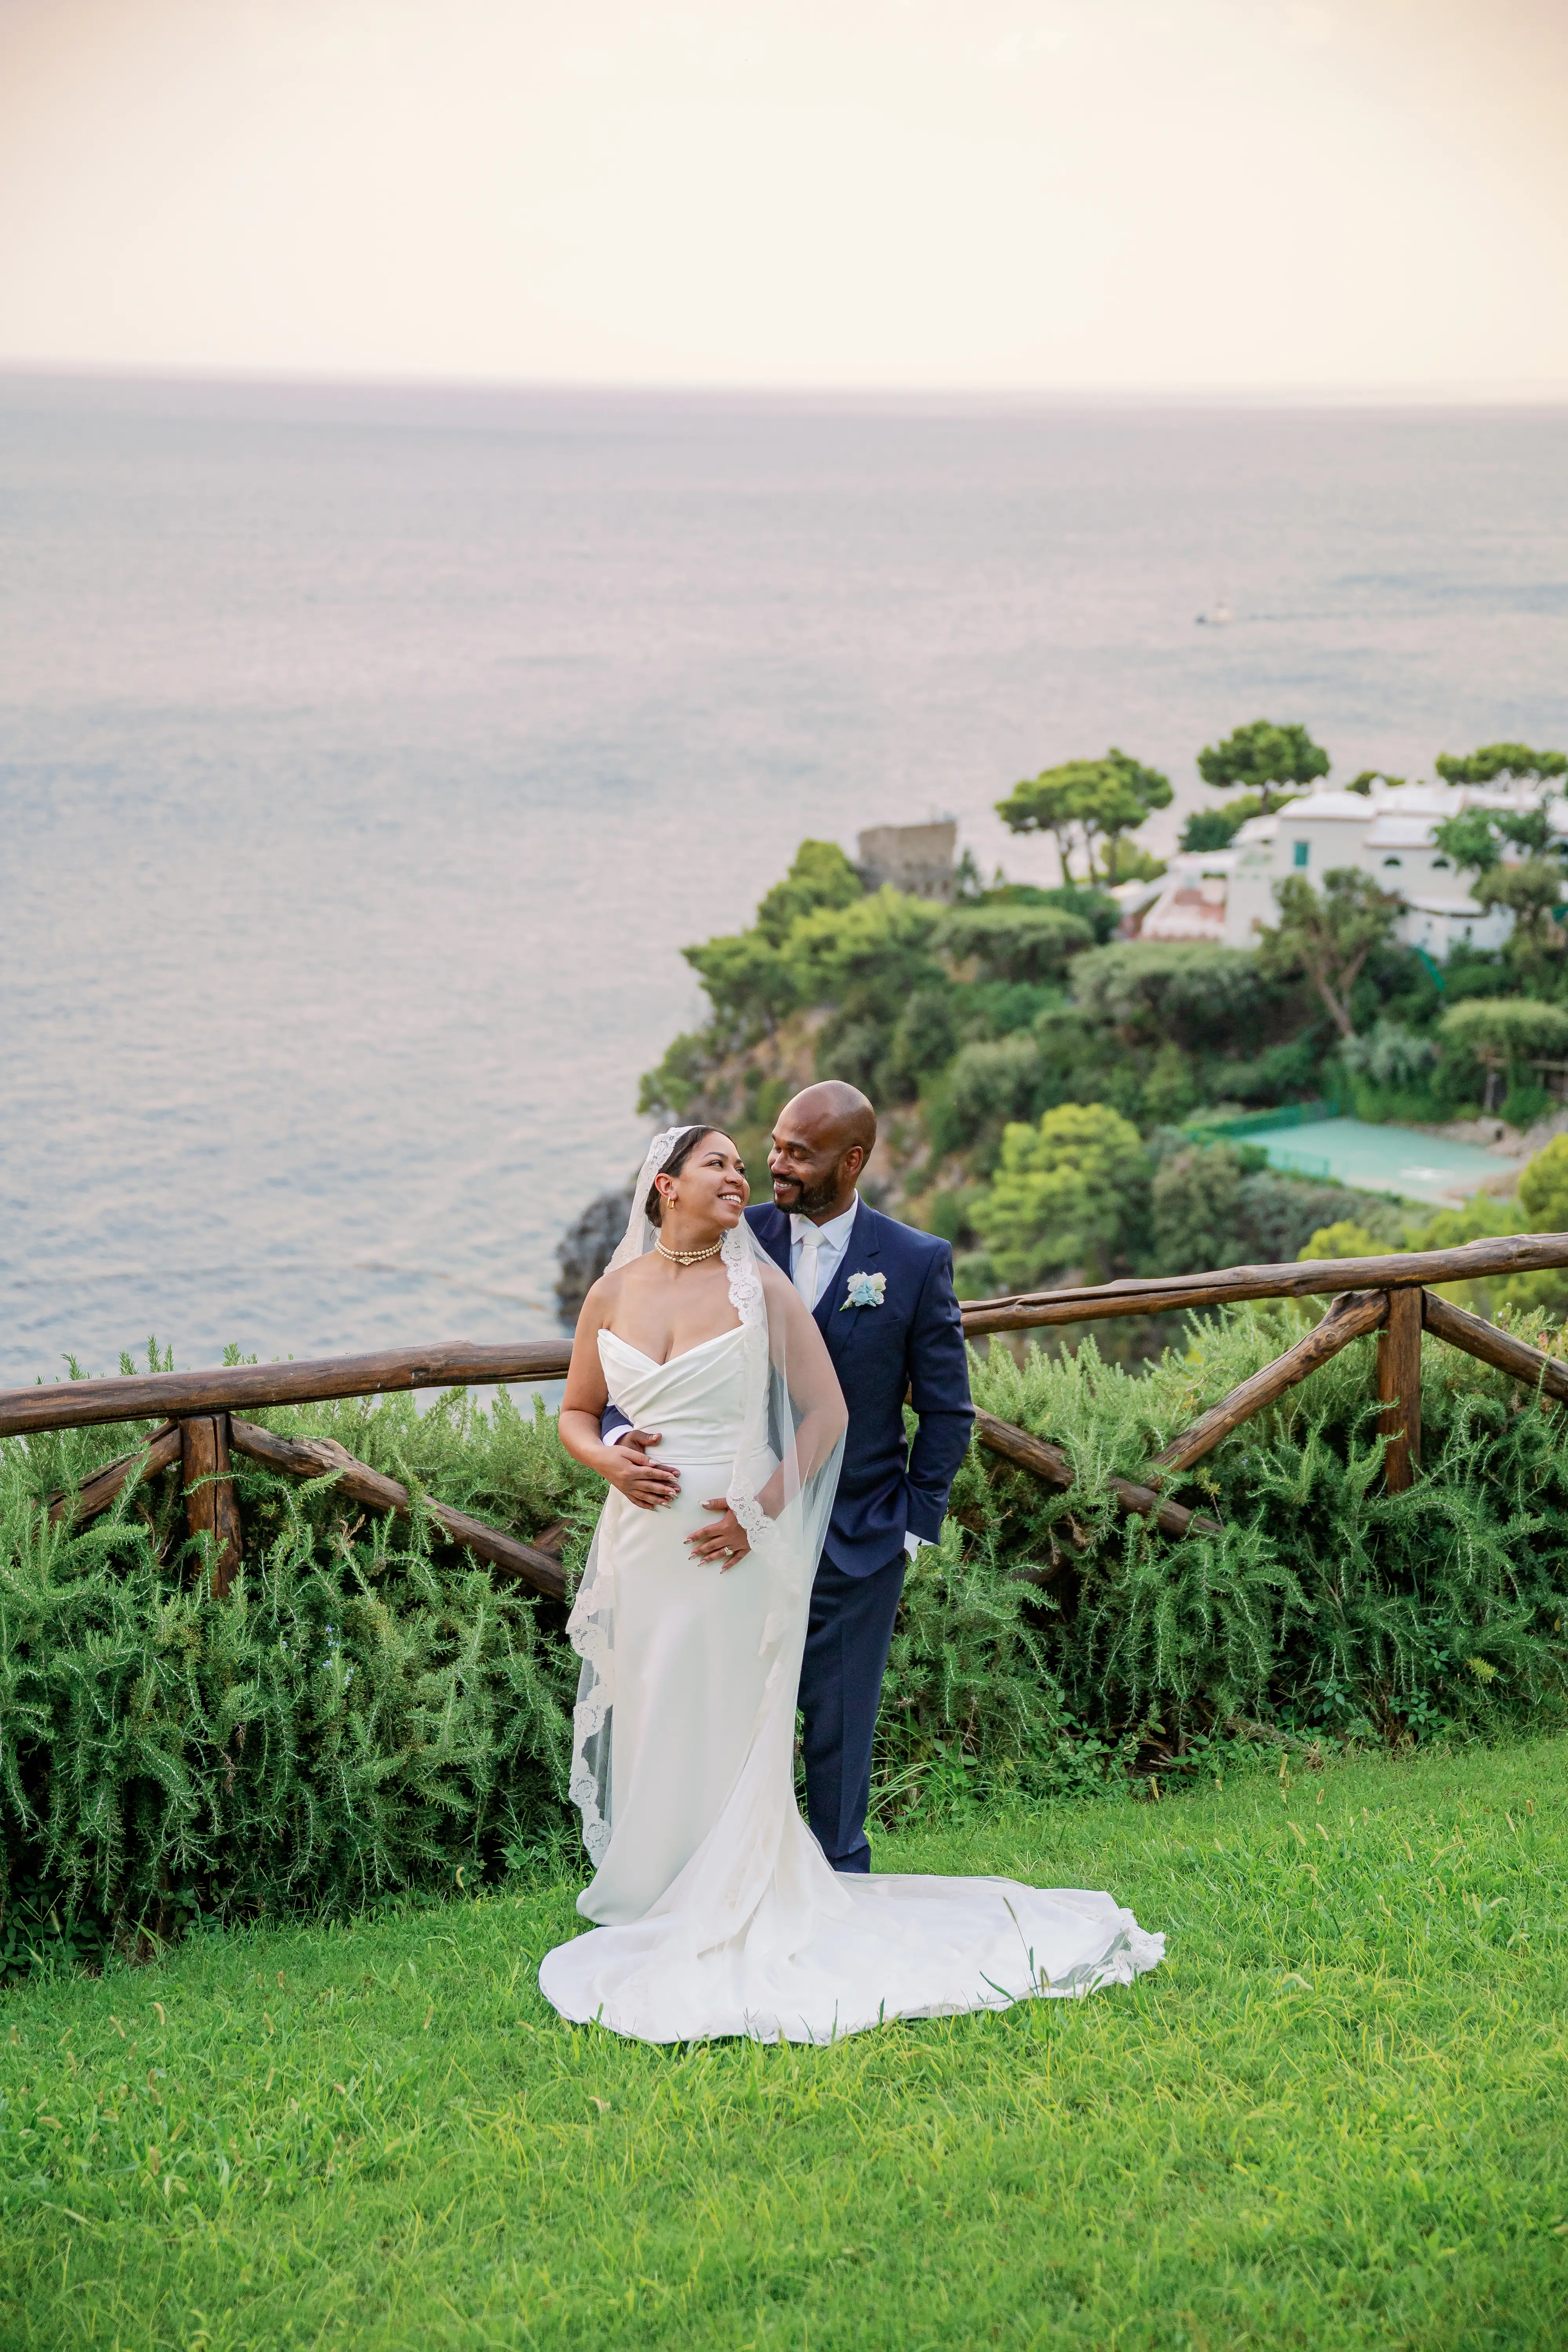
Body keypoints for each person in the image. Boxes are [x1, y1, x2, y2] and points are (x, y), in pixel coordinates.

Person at [538, 1122, 1162, 2044]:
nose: (745, 1174)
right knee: (653, 1702)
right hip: (640, 1540)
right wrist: (607, 1464)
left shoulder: (760, 1286)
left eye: (748, 1165)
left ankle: (739, 1887)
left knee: (729, 1712)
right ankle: (655, 1885)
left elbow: (827, 1410)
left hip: (732, 1548)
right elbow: (578, 1413)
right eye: (723, 1164)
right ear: (664, 1187)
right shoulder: (610, 1291)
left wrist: (760, 1512)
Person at [603, 1082, 972, 1875]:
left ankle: (839, 1872)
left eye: (796, 1155)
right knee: (729, 1703)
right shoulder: (734, 1233)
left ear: (852, 1161)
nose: (774, 1166)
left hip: (855, 1532)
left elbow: (947, 1414)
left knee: (839, 1717)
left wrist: (910, 1526)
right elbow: (636, 1350)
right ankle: (726, 1872)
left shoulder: (912, 1262)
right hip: (723, 1533)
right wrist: (618, 1436)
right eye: (771, 1146)